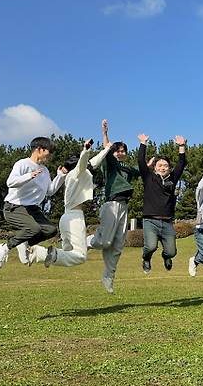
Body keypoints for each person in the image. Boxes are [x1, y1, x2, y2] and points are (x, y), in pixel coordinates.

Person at [30, 138, 112, 268]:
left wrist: (107, 148)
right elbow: (84, 162)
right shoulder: (77, 173)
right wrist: (85, 150)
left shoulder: (71, 176)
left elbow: (93, 162)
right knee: (80, 256)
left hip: (65, 218)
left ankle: (43, 254)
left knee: (68, 253)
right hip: (75, 218)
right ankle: (42, 253)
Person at [0, 137, 66, 269]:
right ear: (38, 149)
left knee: (51, 230)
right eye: (49, 151)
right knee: (34, 228)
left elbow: (49, 191)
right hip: (14, 207)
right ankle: (5, 247)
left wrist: (60, 176)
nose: (50, 155)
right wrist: (29, 176)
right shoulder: (22, 164)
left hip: (33, 209)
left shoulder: (44, 170)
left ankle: (24, 242)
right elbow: (10, 182)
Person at [88, 119, 140, 294]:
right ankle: (86, 241)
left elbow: (142, 172)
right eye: (118, 151)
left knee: (117, 245)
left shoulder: (128, 168)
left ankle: (108, 276)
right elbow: (107, 149)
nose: (120, 153)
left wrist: (149, 166)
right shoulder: (111, 163)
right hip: (111, 204)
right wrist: (104, 134)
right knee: (105, 241)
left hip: (124, 206)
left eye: (123, 151)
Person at [137, 133, 187, 274]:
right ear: (155, 167)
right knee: (151, 247)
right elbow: (141, 161)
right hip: (150, 221)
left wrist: (181, 146)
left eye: (166, 165)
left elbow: (181, 164)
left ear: (169, 168)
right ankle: (146, 259)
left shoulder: (173, 179)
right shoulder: (149, 178)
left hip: (167, 222)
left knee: (171, 252)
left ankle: (166, 257)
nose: (163, 168)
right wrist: (143, 143)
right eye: (160, 165)